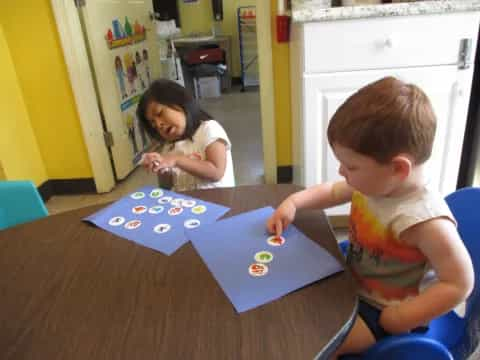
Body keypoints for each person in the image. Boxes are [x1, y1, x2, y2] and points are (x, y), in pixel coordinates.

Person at [266, 77, 474, 358]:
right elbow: (332, 191)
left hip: (385, 310)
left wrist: (401, 317)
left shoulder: (425, 221)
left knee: (313, 345)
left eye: (351, 166)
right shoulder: (376, 184)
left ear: (398, 169)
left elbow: (459, 283)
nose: (342, 172)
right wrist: (293, 202)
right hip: (355, 281)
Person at [136, 79, 235, 191]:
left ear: (180, 102)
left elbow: (216, 172)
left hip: (219, 204)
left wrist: (177, 160)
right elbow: (166, 187)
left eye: (160, 113)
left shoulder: (209, 129)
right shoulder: (169, 147)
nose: (159, 124)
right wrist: (161, 167)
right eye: (153, 124)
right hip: (186, 205)